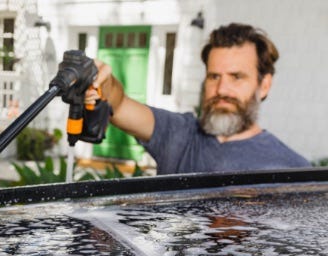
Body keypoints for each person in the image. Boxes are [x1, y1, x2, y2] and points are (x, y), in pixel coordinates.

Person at [86, 23, 311, 175]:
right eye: (214, 76)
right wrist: (103, 82)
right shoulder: (180, 135)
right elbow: (120, 105)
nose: (222, 89)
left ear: (264, 85)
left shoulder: (293, 171)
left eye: (236, 77)